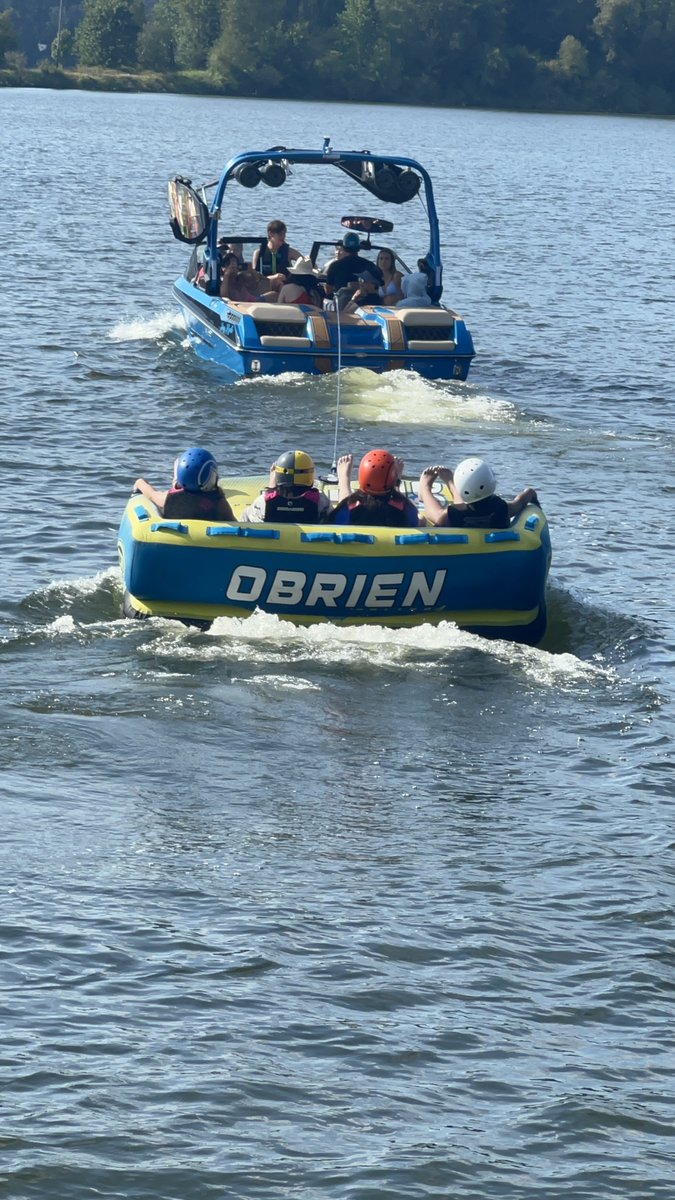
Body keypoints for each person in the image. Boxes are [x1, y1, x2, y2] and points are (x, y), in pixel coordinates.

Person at [418, 457, 539, 529]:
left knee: (439, 515)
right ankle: (451, 484)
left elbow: (436, 523)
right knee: (458, 509)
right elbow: (521, 501)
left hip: (459, 535)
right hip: (493, 549)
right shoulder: (502, 508)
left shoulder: (451, 514)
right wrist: (531, 493)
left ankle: (425, 488)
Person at [133, 448, 235, 521]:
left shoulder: (169, 499)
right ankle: (176, 478)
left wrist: (140, 482)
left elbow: (151, 494)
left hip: (181, 496)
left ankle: (177, 478)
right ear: (212, 477)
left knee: (177, 488)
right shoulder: (218, 504)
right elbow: (234, 524)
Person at [330, 450, 419, 527]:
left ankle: (344, 480)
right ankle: (395, 486)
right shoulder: (406, 509)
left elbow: (338, 519)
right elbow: (416, 521)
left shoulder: (349, 508)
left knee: (346, 506)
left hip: (354, 536)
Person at [240, 450, 331, 524]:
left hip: (273, 542)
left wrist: (271, 488)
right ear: (310, 475)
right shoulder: (321, 501)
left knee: (247, 512)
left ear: (278, 476)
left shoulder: (263, 501)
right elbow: (333, 519)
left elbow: (249, 519)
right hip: (306, 543)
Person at [324, 231, 383, 310]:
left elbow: (328, 290)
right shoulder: (369, 265)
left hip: (341, 306)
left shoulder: (335, 265)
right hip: (366, 305)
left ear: (344, 247)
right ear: (359, 248)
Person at [251, 220, 302, 291]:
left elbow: (305, 263)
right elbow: (254, 277)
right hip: (266, 287)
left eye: (284, 234)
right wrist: (273, 277)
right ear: (270, 234)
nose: (283, 237)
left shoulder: (289, 252)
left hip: (284, 288)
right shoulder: (258, 253)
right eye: (280, 234)